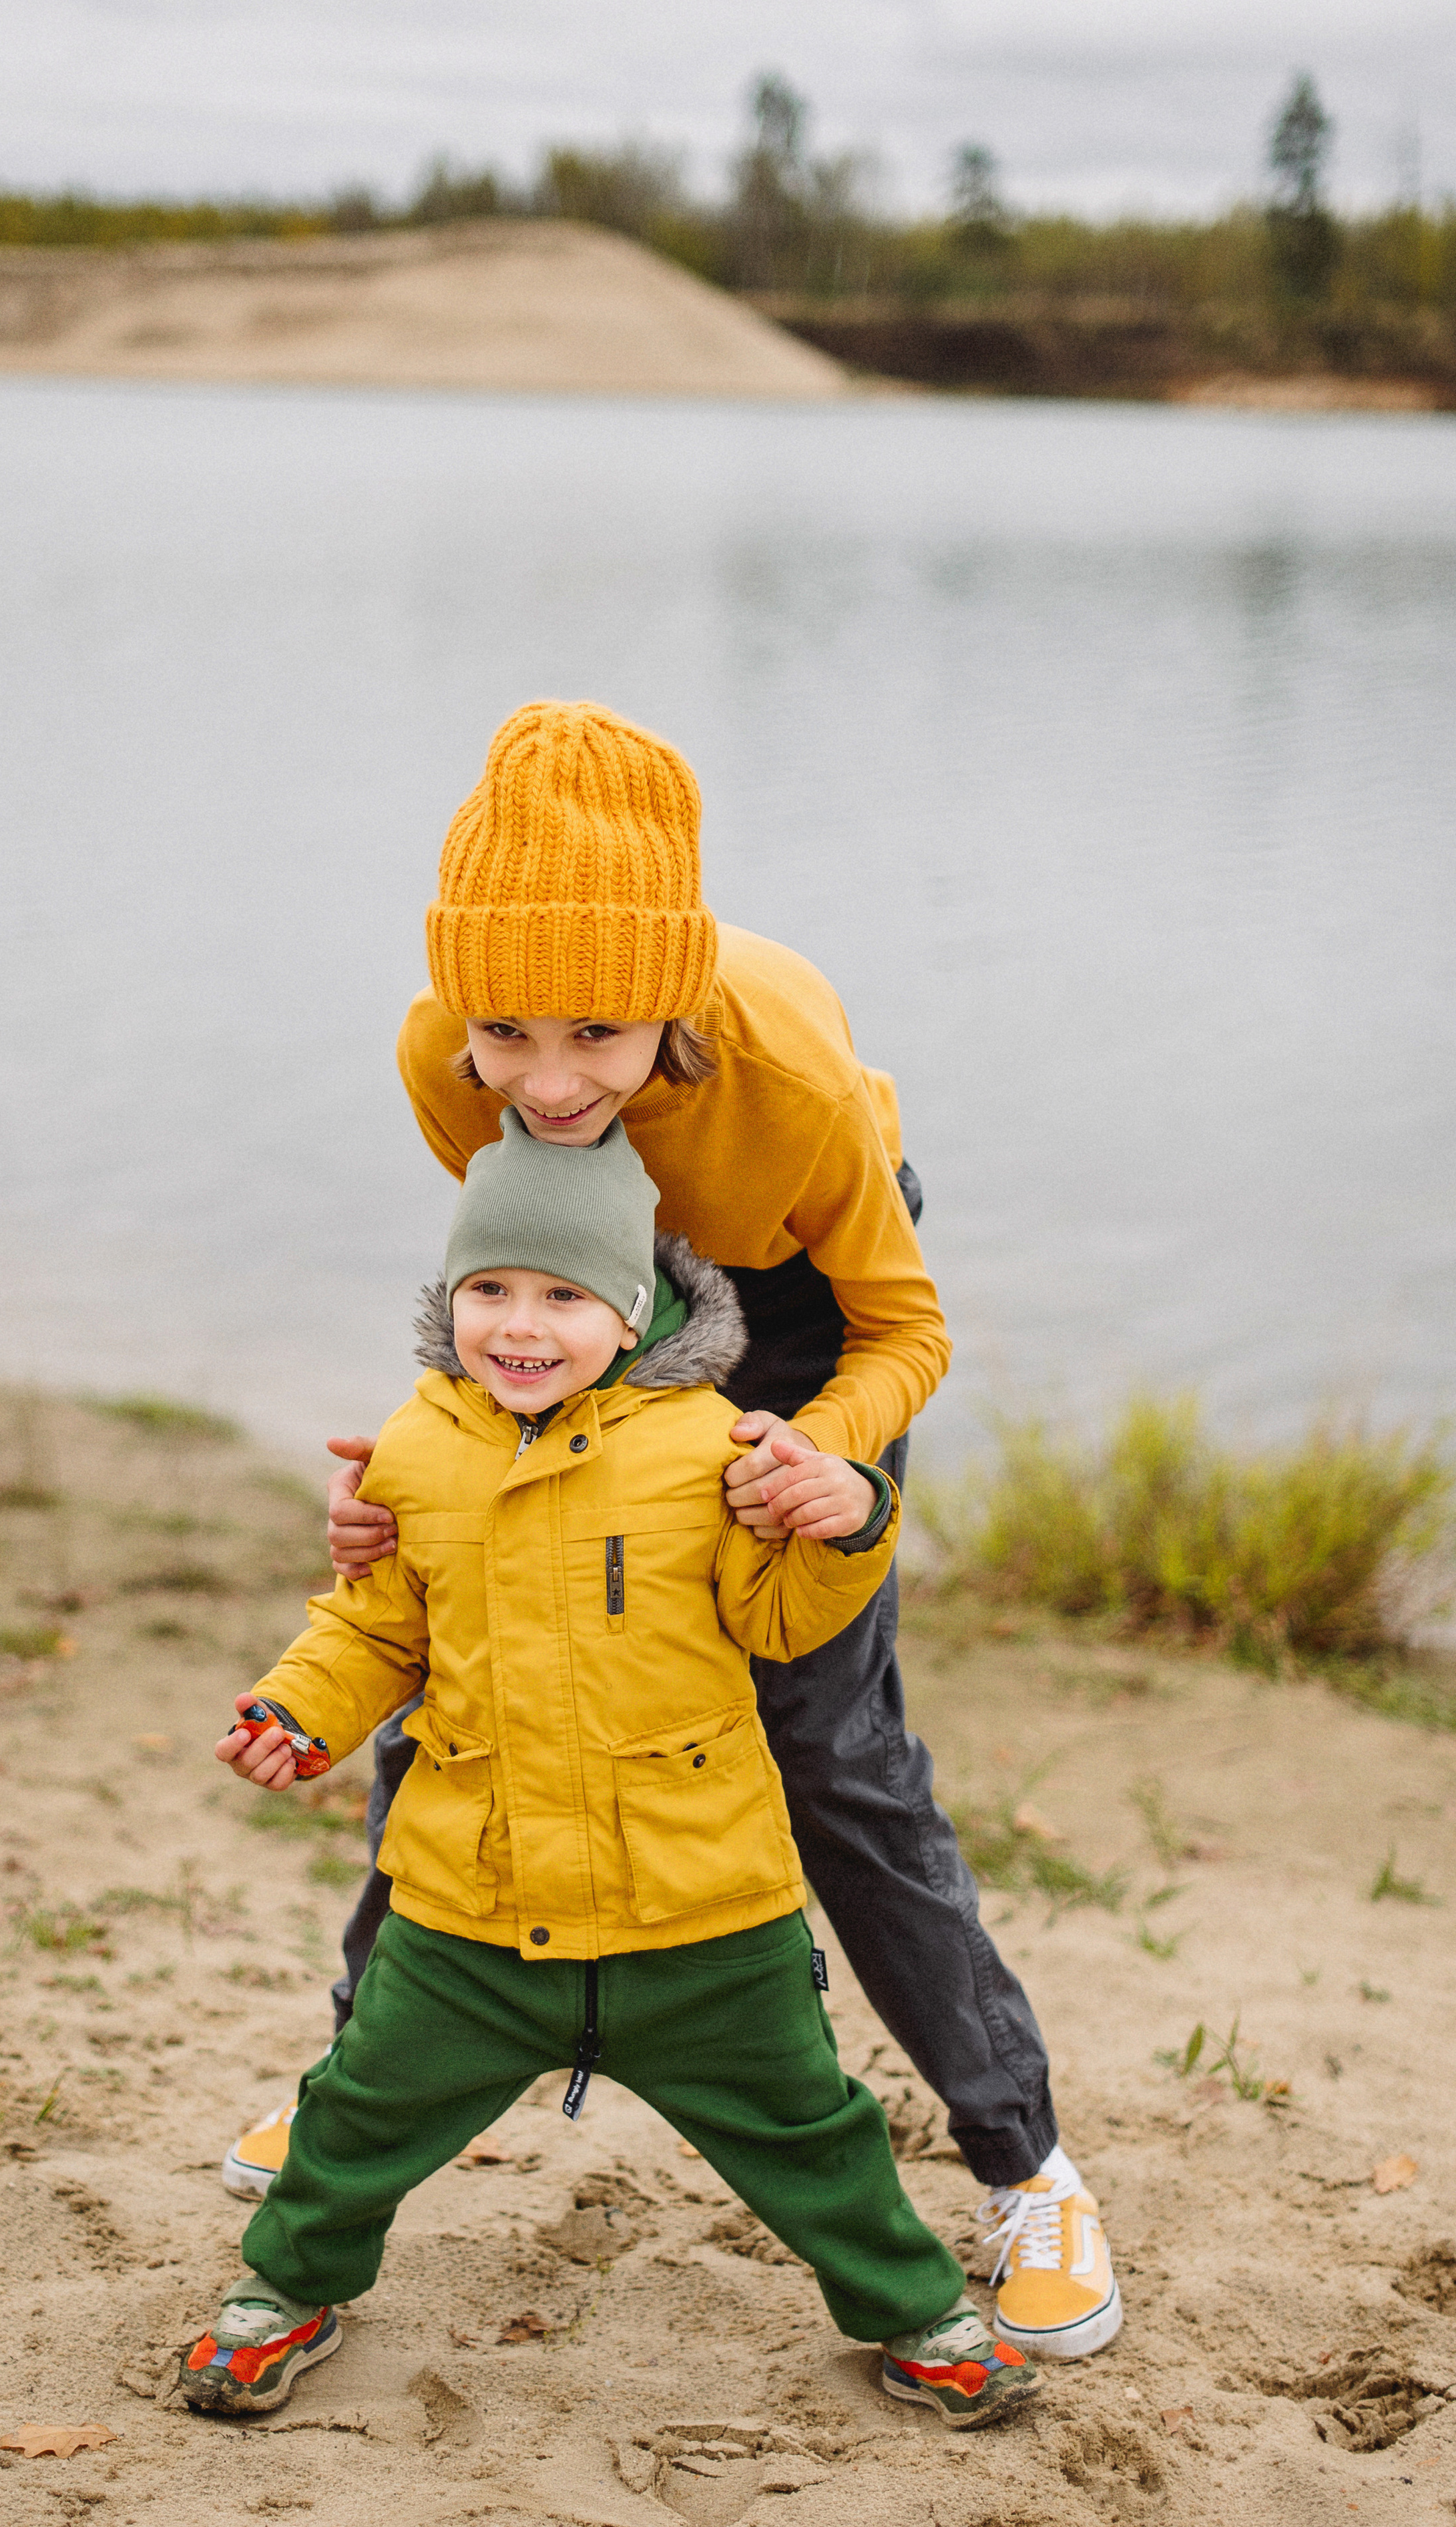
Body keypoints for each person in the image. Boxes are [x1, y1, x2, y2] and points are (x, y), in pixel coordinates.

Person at [225, 699, 1122, 2365]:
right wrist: (421, 1493)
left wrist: (821, 1463)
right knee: (458, 1679)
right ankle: (359, 2083)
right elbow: (514, 1293)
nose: (547, 1082)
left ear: (671, 1003)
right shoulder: (447, 1059)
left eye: (598, 1032)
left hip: (804, 1308)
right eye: (506, 1032)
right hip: (600, 1291)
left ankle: (1025, 2169)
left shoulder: (786, 1085)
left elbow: (906, 1330)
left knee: (829, 1751)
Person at [187, 1107, 1039, 2432]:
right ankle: (285, 2291)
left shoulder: (711, 1447)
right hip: (473, 1905)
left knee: (811, 2128)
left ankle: (916, 2311)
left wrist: (850, 1516)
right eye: (488, 1290)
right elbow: (378, 1627)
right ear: (447, 1299)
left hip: (700, 1903)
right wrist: (300, 1710)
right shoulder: (418, 1449)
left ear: (634, 1310)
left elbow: (783, 1620)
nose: (519, 1326)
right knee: (356, 2109)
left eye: (563, 1296)